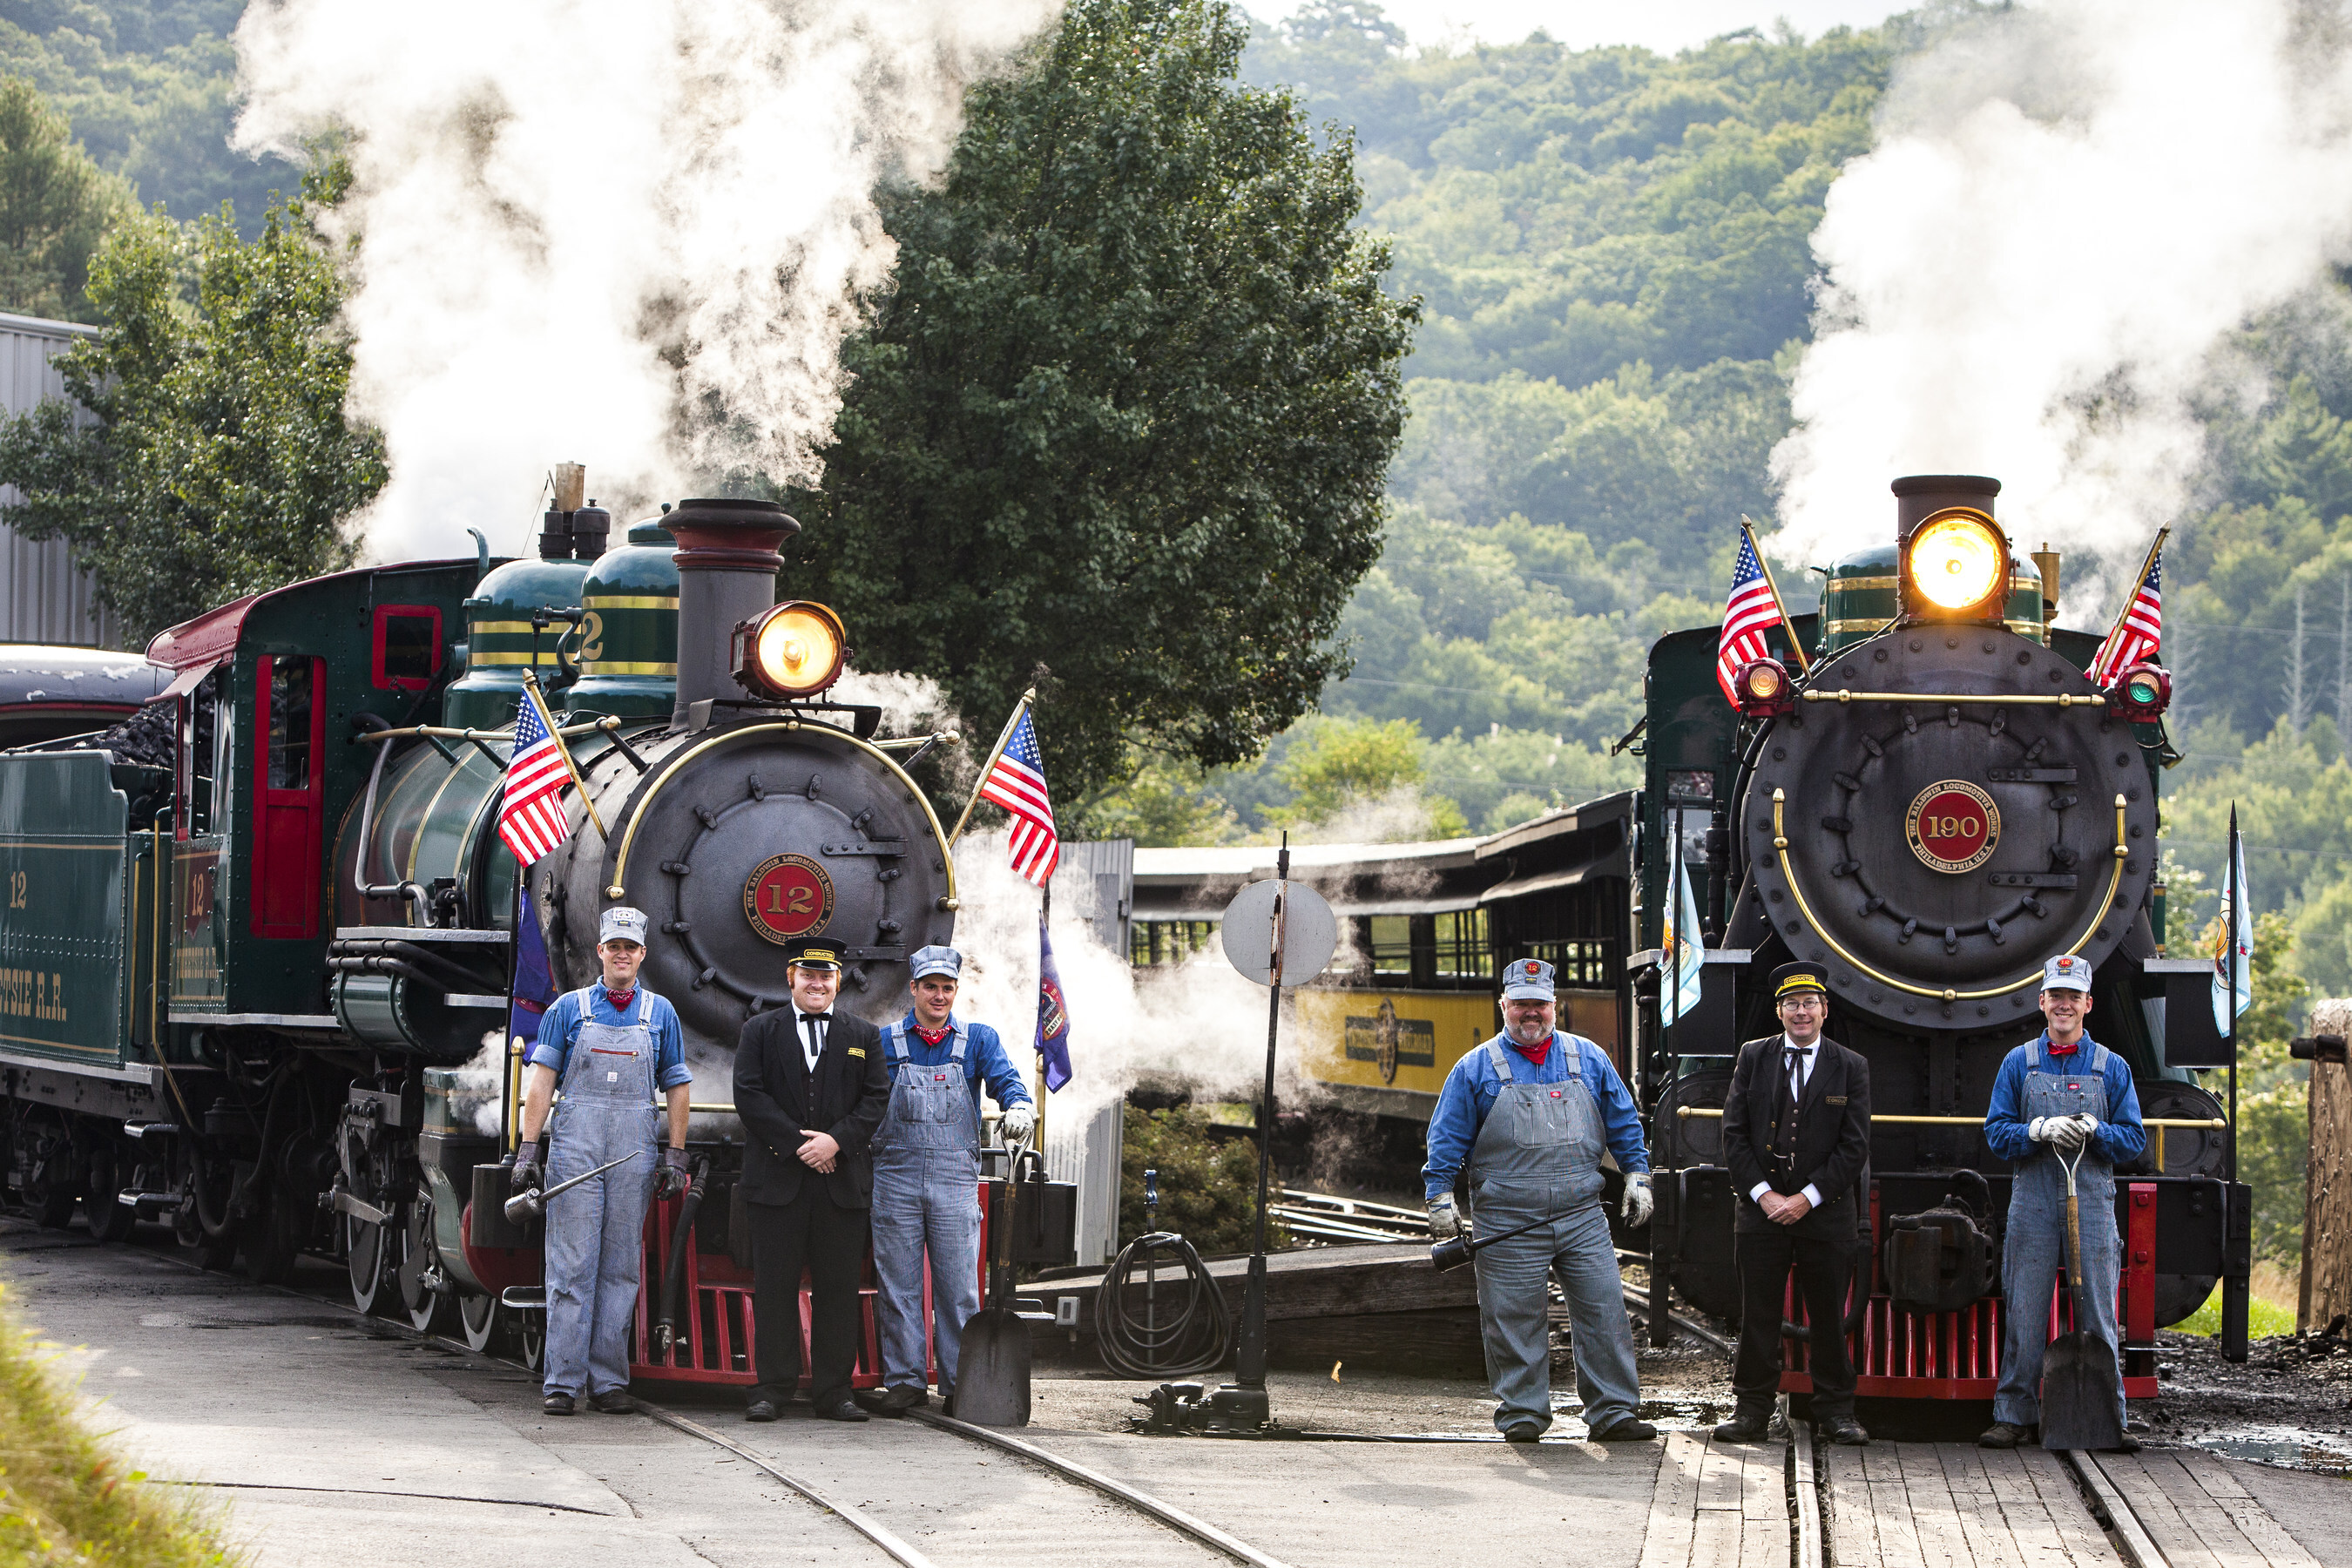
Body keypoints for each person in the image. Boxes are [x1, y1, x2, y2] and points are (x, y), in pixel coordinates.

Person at [1423, 956, 1658, 1443]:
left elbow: (1623, 1121)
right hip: (1507, 1217)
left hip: (1581, 1212)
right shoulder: (1475, 1068)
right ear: (1503, 1005)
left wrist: (1638, 1173)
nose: (1532, 1014)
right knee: (1513, 1316)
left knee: (1604, 1309)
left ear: (1556, 1007)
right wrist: (1440, 1197)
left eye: (1541, 1005)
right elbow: (1445, 1138)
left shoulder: (1588, 1058)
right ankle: (1523, 1413)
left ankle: (1614, 1412)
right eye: (1522, 1004)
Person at [512, 906, 692, 1416]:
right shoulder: (566, 1011)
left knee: (620, 1269)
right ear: (600, 952)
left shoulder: (661, 1015)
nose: (621, 954)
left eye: (630, 947)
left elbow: (677, 1087)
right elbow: (542, 1083)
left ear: (641, 954)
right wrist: (530, 1145)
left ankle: (609, 1380)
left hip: (634, 1152)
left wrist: (674, 1152)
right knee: (571, 1266)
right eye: (613, 946)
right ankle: (562, 1383)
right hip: (575, 1152)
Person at [1979, 952, 2146, 1452]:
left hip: (2092, 1200)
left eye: (2073, 997)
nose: (2064, 1006)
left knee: (2097, 1310)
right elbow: (1995, 1132)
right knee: (2026, 1308)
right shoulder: (2018, 1063)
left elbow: (2134, 1140)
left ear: (2088, 1003)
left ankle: (2109, 1418)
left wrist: (2099, 1132)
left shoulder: (2111, 1068)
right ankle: (2013, 1415)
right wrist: (2035, 1129)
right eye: (2056, 996)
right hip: (2031, 1200)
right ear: (2042, 1002)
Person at [862, 945, 1035, 1415]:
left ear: (956, 990)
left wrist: (1019, 1106)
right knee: (898, 1285)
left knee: (959, 1286)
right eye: (930, 987)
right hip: (893, 1176)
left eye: (947, 987)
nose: (939, 995)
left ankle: (961, 1383)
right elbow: (862, 1102)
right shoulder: (884, 1042)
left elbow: (1007, 1082)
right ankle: (905, 1380)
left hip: (955, 1180)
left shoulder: (977, 1040)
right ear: (913, 988)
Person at [1715, 962, 1874, 1446]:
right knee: (1758, 1314)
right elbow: (1734, 1134)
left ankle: (1837, 1412)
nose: (1800, 1012)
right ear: (1780, 1011)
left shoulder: (1851, 1066)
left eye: (1809, 1004)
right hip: (1761, 1212)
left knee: (1828, 1315)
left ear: (1824, 1011)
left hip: (1825, 1213)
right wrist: (1764, 1197)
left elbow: (1854, 1146)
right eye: (1791, 1004)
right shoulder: (1753, 1056)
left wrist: (1806, 1199)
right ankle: (1751, 1411)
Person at [733, 938, 891, 1423]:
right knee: (774, 1287)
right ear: (791, 977)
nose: (817, 983)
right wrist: (801, 1146)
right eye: (808, 975)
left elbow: (876, 1098)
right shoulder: (759, 1031)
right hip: (777, 1180)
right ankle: (770, 1389)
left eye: (825, 976)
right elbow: (749, 1094)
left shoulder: (866, 1034)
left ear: (837, 980)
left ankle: (834, 1391)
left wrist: (835, 1143)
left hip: (840, 1184)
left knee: (838, 1290)